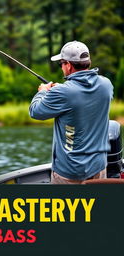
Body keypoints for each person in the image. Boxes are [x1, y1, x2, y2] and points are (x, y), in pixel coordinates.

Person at [29, 41, 113, 184]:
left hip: (70, 172)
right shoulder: (106, 85)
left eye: (61, 63)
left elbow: (35, 111)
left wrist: (43, 92)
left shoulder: (62, 92)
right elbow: (81, 94)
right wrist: (63, 89)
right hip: (99, 168)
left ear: (68, 65)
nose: (61, 67)